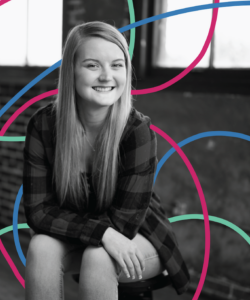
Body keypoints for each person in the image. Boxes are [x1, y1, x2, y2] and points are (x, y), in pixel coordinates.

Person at [23, 21, 190, 300]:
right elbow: (38, 212)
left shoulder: (136, 131)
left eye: (116, 65)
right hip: (89, 236)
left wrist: (103, 235)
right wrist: (102, 233)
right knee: (40, 246)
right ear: (71, 72)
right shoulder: (43, 125)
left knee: (98, 257)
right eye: (92, 65)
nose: (106, 76)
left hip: (139, 236)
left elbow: (123, 225)